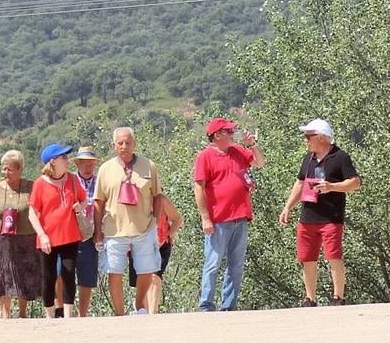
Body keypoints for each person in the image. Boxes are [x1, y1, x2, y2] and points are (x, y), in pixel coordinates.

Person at [279, 118, 361, 306]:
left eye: (309, 136)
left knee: (334, 256)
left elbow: (355, 182)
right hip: (308, 216)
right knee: (307, 258)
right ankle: (310, 298)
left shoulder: (340, 157)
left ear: (322, 137)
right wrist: (288, 207)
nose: (306, 140)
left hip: (331, 217)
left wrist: (332, 186)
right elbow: (300, 183)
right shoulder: (307, 159)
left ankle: (338, 296)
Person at [193, 117, 266, 312]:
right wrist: (205, 217)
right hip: (218, 220)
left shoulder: (238, 152)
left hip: (240, 218)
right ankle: (206, 305)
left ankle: (229, 305)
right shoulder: (204, 157)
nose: (233, 135)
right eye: (229, 132)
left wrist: (252, 145)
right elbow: (199, 188)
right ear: (217, 135)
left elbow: (259, 163)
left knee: (236, 265)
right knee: (212, 263)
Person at [93, 127, 162, 316]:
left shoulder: (149, 166)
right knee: (114, 271)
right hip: (114, 230)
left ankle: (139, 305)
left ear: (134, 143)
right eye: (120, 143)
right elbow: (98, 202)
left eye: (128, 142)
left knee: (146, 270)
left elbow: (158, 196)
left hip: (144, 227)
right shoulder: (105, 169)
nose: (124, 146)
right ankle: (120, 313)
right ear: (114, 145)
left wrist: (155, 221)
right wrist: (98, 231)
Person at [0, 149, 40, 318]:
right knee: (2, 273)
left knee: (25, 273)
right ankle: (5, 314)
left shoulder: (31, 187)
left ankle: (22, 312)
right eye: (3, 169)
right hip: (0, 237)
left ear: (20, 169)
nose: (5, 172)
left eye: (10, 169)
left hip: (27, 237)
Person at [29, 142, 86, 318]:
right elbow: (32, 212)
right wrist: (42, 234)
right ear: (53, 161)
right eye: (63, 157)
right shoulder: (40, 184)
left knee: (69, 275)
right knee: (48, 277)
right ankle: (49, 315)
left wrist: (80, 206)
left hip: (70, 235)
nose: (67, 160)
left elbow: (84, 200)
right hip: (48, 238)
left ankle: (68, 316)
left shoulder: (73, 179)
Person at [53, 146, 99, 318]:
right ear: (78, 163)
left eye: (91, 163)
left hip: (89, 234)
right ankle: (60, 310)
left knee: (87, 276)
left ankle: (83, 314)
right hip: (67, 234)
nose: (88, 166)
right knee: (59, 272)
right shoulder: (68, 181)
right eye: (84, 163)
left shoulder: (100, 181)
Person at [128, 194, 182, 314]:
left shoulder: (162, 200)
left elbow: (177, 219)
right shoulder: (131, 198)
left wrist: (168, 235)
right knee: (142, 279)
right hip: (137, 244)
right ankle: (144, 311)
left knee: (154, 275)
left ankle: (153, 313)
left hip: (160, 244)